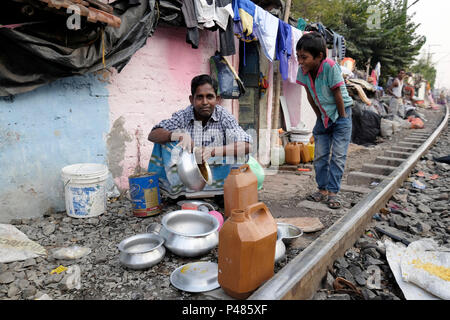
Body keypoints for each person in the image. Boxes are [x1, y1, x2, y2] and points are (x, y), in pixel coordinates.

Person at [148, 74, 252, 197]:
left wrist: (213, 151)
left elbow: (247, 145)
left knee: (240, 153)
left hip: (215, 168)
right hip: (188, 171)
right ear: (192, 100)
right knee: (163, 142)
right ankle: (178, 193)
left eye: (209, 97)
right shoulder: (183, 116)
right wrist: (178, 136)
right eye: (199, 97)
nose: (205, 102)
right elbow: (153, 134)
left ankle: (221, 193)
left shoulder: (224, 116)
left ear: (217, 99)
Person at [296, 32, 354, 209]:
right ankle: (322, 190)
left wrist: (341, 119)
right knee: (320, 156)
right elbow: (310, 96)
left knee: (337, 156)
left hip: (341, 113)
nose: (300, 61)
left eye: (304, 57)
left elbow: (337, 94)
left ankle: (333, 192)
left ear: (319, 56)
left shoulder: (330, 66)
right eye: (298, 57)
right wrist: (320, 117)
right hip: (323, 117)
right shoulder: (303, 71)